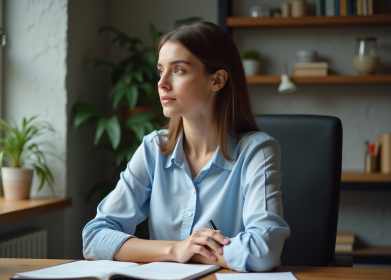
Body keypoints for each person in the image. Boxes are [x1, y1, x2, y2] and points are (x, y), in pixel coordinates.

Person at [82, 21, 290, 272]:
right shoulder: (154, 148)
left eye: (178, 70)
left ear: (217, 80)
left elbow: (262, 252)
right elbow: (95, 237)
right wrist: (175, 250)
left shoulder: (257, 151)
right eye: (161, 70)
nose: (162, 83)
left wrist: (191, 252)